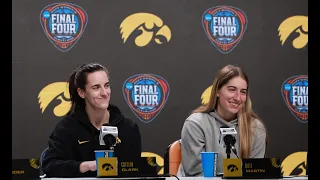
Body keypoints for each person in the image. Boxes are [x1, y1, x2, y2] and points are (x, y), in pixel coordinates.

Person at [42, 63, 142, 177]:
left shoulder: (129, 128)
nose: (104, 93)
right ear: (82, 92)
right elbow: (50, 165)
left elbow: (136, 171)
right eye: (96, 88)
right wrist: (85, 166)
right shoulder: (67, 127)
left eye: (107, 86)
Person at [177, 64, 268, 176]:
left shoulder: (255, 128)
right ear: (217, 91)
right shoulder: (196, 124)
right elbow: (196, 174)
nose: (238, 98)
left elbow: (255, 175)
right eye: (232, 90)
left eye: (243, 92)